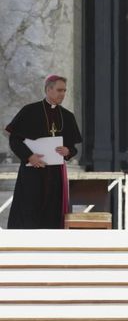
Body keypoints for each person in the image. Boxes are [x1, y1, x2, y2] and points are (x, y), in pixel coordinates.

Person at [5, 75, 82, 229]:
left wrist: (68, 151)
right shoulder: (29, 111)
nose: (63, 94)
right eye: (59, 90)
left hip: (55, 175)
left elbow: (73, 148)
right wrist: (29, 156)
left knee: (53, 214)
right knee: (29, 211)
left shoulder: (67, 116)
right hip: (32, 172)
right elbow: (14, 140)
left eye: (65, 91)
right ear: (48, 89)